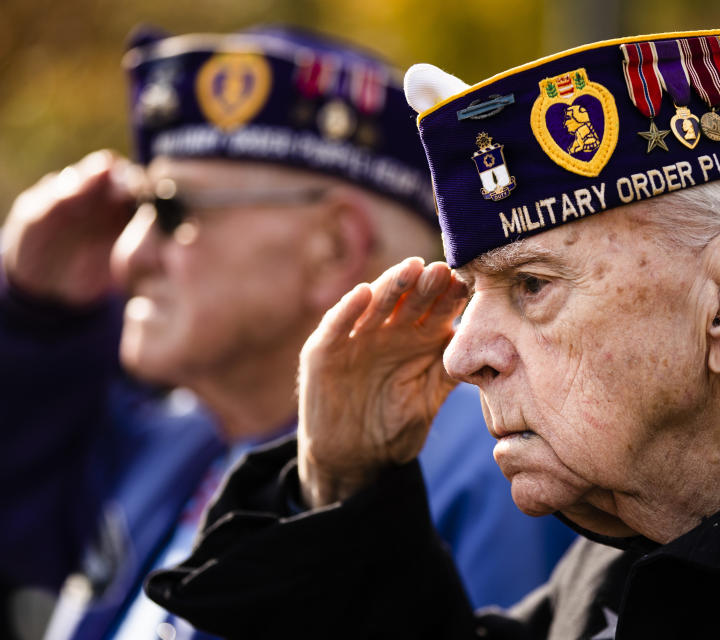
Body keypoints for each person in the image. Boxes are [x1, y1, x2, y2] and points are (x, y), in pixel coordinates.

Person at [145, 7, 720, 638]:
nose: (462, 353)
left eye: (532, 284)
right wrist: (345, 493)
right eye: (469, 293)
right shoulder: (619, 563)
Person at [0, 26, 574, 640]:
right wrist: (37, 318)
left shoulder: (497, 468)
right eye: (130, 212)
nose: (128, 253)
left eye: (171, 210)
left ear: (333, 248)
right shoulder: (185, 441)